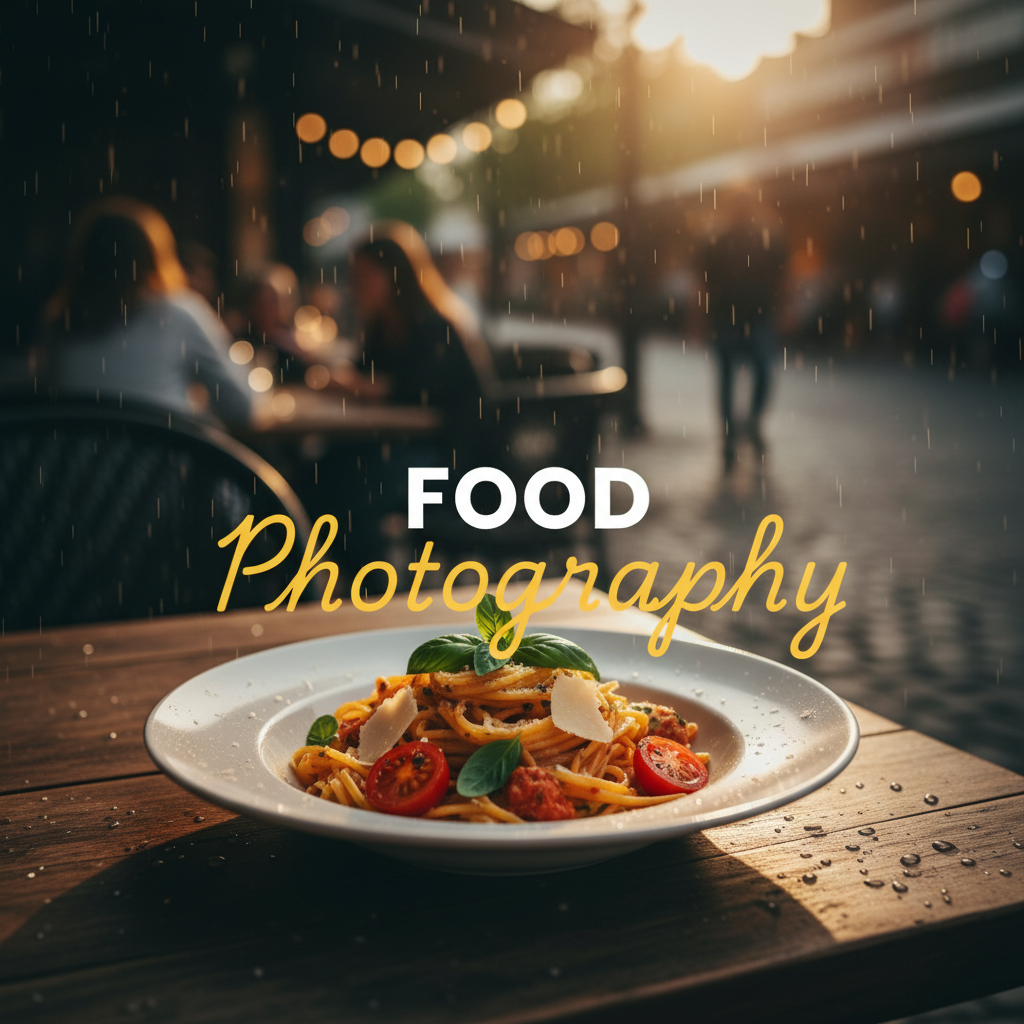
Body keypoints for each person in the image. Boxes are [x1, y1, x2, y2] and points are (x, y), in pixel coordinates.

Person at [38, 197, 254, 425]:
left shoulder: (59, 321)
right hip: (161, 447)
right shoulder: (177, 313)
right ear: (155, 256)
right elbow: (241, 406)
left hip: (82, 448)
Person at [336, 221, 486, 409]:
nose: (355, 286)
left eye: (363, 275)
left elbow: (421, 390)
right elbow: (363, 372)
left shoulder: (433, 327)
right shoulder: (382, 327)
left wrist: (360, 386)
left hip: (450, 427)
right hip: (403, 425)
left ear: (395, 276)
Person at [702, 191, 788, 467]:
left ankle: (745, 426)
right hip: (737, 315)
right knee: (749, 372)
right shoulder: (731, 238)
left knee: (743, 374)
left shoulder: (761, 238)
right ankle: (738, 430)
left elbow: (782, 274)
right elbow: (705, 280)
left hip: (748, 315)